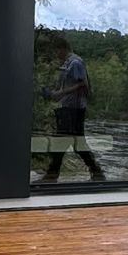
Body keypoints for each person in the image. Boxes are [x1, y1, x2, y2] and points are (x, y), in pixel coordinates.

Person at [41, 35, 106, 182]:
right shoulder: (67, 63)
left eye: (56, 51)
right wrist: (54, 94)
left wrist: (61, 93)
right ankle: (96, 173)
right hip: (67, 106)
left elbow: (83, 85)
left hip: (73, 108)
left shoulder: (75, 62)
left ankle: (52, 175)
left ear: (62, 48)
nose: (55, 54)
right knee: (74, 142)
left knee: (65, 141)